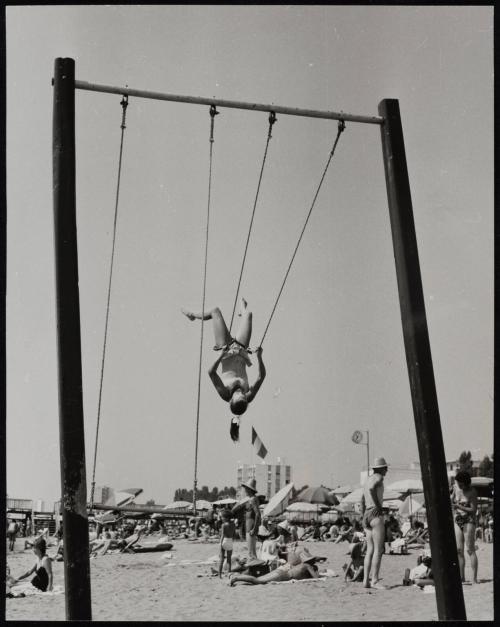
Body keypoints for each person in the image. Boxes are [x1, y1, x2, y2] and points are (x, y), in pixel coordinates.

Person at [182, 299, 266, 441]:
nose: (241, 392)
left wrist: (221, 353)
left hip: (225, 349)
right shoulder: (248, 396)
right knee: (249, 314)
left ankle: (192, 315)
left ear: (231, 400)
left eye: (238, 395)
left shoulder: (225, 393)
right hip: (241, 349)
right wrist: (259, 356)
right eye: (243, 396)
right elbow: (261, 377)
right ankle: (242, 311)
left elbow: (211, 372)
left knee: (215, 311)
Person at [361, 457, 389, 590]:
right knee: (379, 549)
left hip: (366, 513)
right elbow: (373, 489)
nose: (387, 470)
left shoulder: (366, 480)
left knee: (369, 550)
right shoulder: (379, 478)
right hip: (375, 513)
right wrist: (379, 506)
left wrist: (363, 515)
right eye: (385, 468)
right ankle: (375, 580)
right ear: (381, 469)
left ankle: (366, 580)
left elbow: (362, 498)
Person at [229, 550, 320, 586]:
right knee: (258, 581)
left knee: (258, 580)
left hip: (280, 571)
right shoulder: (308, 566)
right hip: (283, 575)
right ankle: (236, 578)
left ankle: (236, 577)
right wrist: (317, 571)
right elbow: (316, 578)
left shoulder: (300, 565)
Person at [451, 470, 478, 584]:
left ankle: (474, 578)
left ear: (466, 483)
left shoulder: (472, 492)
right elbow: (451, 499)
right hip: (458, 520)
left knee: (470, 549)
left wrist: (459, 507)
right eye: (458, 483)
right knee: (459, 550)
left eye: (461, 484)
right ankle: (462, 577)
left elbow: (473, 509)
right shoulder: (456, 488)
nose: (459, 486)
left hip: (469, 521)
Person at [231, 478, 261, 560]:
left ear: (250, 489)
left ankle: (254, 567)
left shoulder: (253, 499)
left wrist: (255, 528)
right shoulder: (249, 499)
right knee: (250, 551)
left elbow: (258, 514)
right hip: (249, 526)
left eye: (246, 489)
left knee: (251, 552)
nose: (245, 490)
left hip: (251, 527)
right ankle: (254, 566)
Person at [218, 510, 235, 577]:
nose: (221, 518)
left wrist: (220, 544)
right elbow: (233, 534)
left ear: (226, 518)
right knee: (229, 559)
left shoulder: (223, 525)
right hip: (230, 541)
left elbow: (222, 535)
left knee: (221, 558)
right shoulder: (233, 524)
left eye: (222, 517)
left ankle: (219, 574)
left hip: (224, 541)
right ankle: (229, 573)